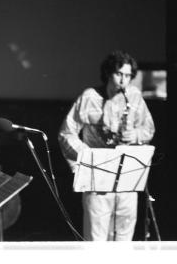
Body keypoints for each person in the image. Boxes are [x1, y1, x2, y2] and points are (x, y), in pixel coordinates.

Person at [58, 50, 155, 241]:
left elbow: (149, 129)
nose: (123, 81)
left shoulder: (134, 97)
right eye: (119, 74)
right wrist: (86, 157)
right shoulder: (89, 97)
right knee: (97, 239)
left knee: (124, 237)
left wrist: (135, 134)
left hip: (127, 178)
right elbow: (66, 133)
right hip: (97, 178)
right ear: (108, 73)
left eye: (128, 76)